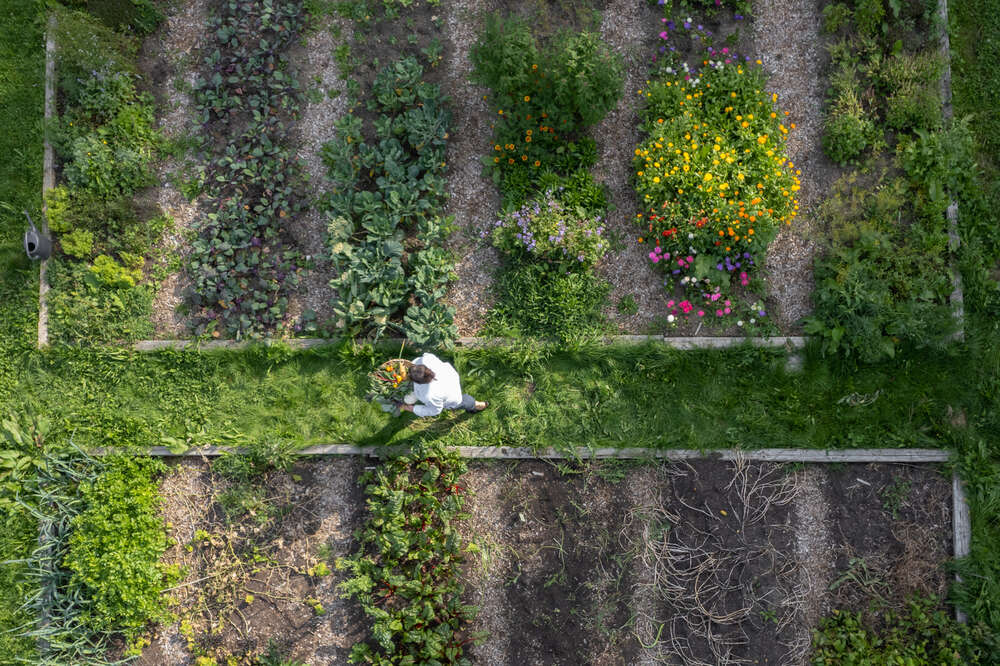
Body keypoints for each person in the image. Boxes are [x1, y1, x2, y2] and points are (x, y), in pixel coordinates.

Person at [398, 352, 487, 417]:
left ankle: (480, 405)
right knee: (409, 398)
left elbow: (435, 410)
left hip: (451, 393)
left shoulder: (430, 395)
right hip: (448, 376)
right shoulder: (426, 360)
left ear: (419, 382)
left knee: (464, 401)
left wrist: (410, 408)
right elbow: (425, 356)